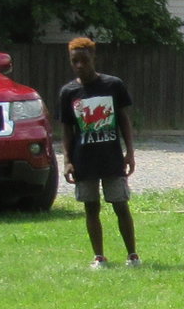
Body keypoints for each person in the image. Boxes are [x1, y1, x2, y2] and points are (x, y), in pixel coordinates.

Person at [57, 37, 139, 268]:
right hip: (84, 160)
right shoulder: (68, 92)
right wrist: (67, 161)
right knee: (91, 207)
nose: (80, 65)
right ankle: (99, 257)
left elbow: (124, 121)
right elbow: (66, 130)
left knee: (120, 204)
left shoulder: (113, 85)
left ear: (94, 58)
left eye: (84, 60)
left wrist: (130, 152)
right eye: (75, 61)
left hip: (111, 158)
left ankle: (132, 255)